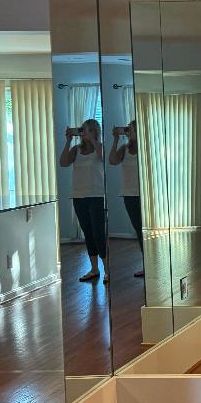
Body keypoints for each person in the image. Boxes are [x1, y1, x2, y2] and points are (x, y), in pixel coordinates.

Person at [59, 118, 108, 283]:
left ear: (95, 131)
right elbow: (63, 163)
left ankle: (107, 270)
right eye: (83, 130)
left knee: (99, 233)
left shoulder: (99, 147)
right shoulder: (76, 149)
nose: (83, 133)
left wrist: (93, 140)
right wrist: (67, 141)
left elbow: (104, 158)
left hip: (96, 196)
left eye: (87, 130)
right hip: (78, 197)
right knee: (88, 233)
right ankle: (94, 269)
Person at [109, 120, 144, 278]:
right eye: (127, 129)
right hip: (129, 195)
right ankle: (146, 264)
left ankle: (154, 263)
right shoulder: (125, 148)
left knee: (148, 230)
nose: (127, 131)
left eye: (130, 129)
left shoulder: (145, 147)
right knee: (138, 230)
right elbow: (112, 161)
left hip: (145, 194)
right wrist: (116, 140)